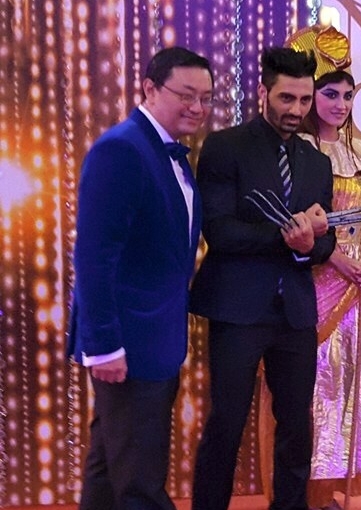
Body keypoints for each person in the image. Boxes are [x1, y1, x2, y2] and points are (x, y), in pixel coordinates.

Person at [189, 47, 336, 510]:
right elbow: (219, 231)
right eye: (286, 98)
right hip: (237, 309)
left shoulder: (317, 162)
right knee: (226, 422)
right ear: (262, 93)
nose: (296, 109)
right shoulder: (224, 147)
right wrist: (289, 237)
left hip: (295, 312)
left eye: (304, 100)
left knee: (296, 425)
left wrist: (310, 245)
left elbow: (326, 243)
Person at [67, 46, 213, 510]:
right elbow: (94, 256)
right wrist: (104, 345)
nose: (197, 107)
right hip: (128, 342)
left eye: (206, 97)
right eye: (186, 95)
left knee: (111, 467)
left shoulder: (168, 153)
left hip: (154, 336)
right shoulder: (122, 149)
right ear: (150, 89)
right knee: (141, 482)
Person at [299, 40, 361, 509]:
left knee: (349, 382)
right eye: (331, 94)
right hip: (316, 277)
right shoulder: (301, 151)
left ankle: (335, 487)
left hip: (356, 284)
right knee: (316, 383)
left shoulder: (360, 152)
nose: (341, 105)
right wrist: (339, 260)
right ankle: (308, 489)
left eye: (348, 96)